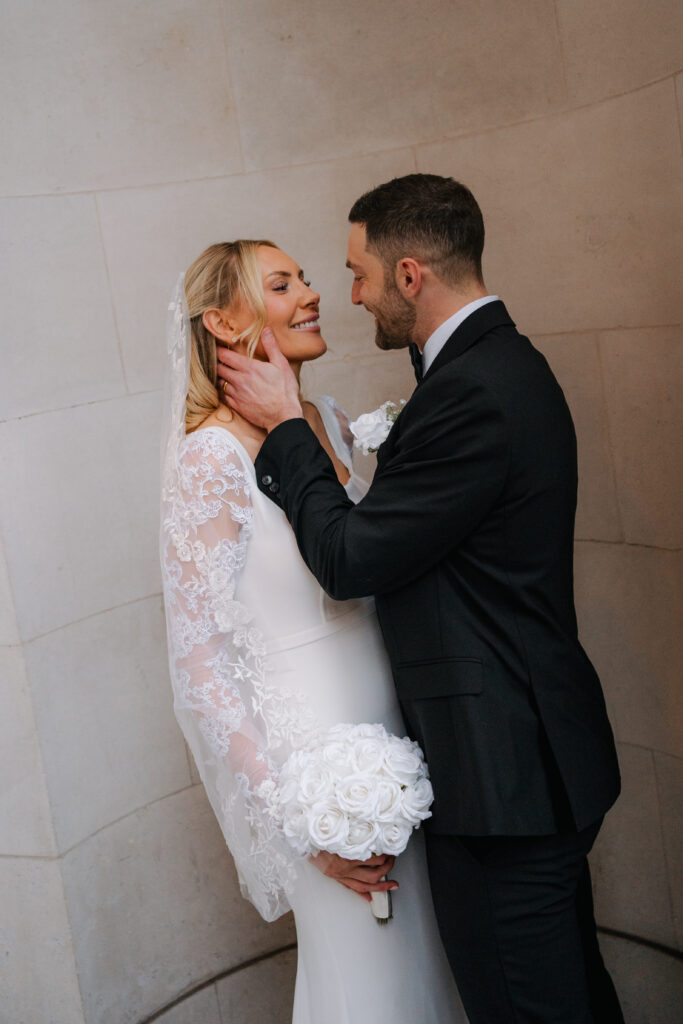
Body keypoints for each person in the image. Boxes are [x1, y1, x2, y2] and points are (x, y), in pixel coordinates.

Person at [216, 175, 625, 1024]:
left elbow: (351, 557)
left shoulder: (473, 391)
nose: (347, 293)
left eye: (358, 273)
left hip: (503, 779)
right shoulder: (489, 368)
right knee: (565, 995)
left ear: (409, 277)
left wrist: (289, 427)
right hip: (516, 764)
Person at [160, 239, 466, 1024]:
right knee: (366, 976)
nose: (313, 293)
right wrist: (298, 814)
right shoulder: (210, 460)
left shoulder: (324, 420)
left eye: (305, 277)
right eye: (282, 283)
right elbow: (201, 665)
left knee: (434, 957)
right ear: (224, 323)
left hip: (402, 735)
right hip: (315, 766)